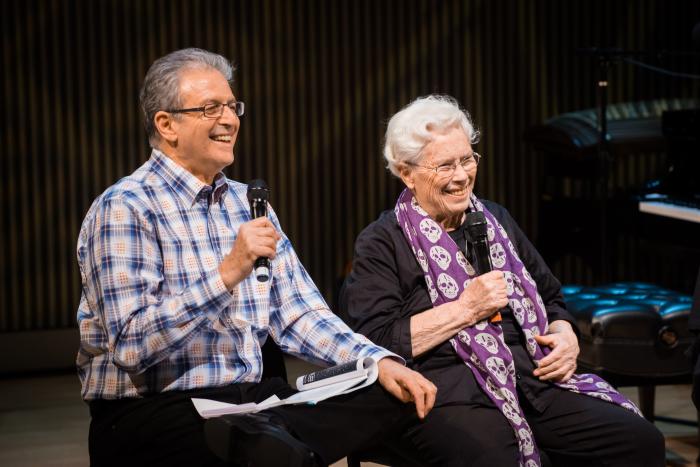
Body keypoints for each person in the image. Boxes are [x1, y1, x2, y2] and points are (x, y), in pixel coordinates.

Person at [76, 48, 436, 467]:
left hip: (251, 401)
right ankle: (272, 441)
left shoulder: (247, 203)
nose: (229, 120)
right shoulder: (125, 208)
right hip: (157, 410)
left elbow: (301, 314)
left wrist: (376, 360)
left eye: (232, 106)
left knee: (386, 392)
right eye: (211, 108)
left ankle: (271, 438)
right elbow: (132, 346)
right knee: (263, 441)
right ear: (166, 124)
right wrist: (226, 274)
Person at [339, 95, 666, 467]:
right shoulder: (382, 241)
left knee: (639, 442)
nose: (462, 176)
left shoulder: (495, 219)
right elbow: (375, 341)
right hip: (452, 390)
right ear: (406, 172)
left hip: (533, 377)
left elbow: (552, 296)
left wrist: (565, 334)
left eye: (467, 159)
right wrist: (465, 309)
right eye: (445, 166)